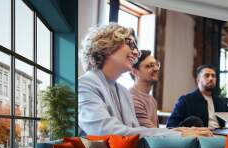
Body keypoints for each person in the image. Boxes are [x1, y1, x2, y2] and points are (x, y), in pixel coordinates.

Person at [78, 23, 212, 137]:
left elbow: (136, 132)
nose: (136, 53)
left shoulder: (123, 91)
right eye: (130, 44)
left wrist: (178, 132)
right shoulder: (85, 84)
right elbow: (104, 131)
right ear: (106, 46)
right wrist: (177, 134)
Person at [167, 64, 228, 129]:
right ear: (198, 80)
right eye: (206, 75)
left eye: (213, 76)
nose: (211, 78)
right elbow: (171, 125)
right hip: (200, 136)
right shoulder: (186, 100)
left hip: (221, 135)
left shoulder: (219, 101)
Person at [130, 50, 159, 128]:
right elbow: (153, 133)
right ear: (134, 72)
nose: (156, 69)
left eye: (157, 64)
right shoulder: (133, 99)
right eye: (150, 66)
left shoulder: (152, 99)